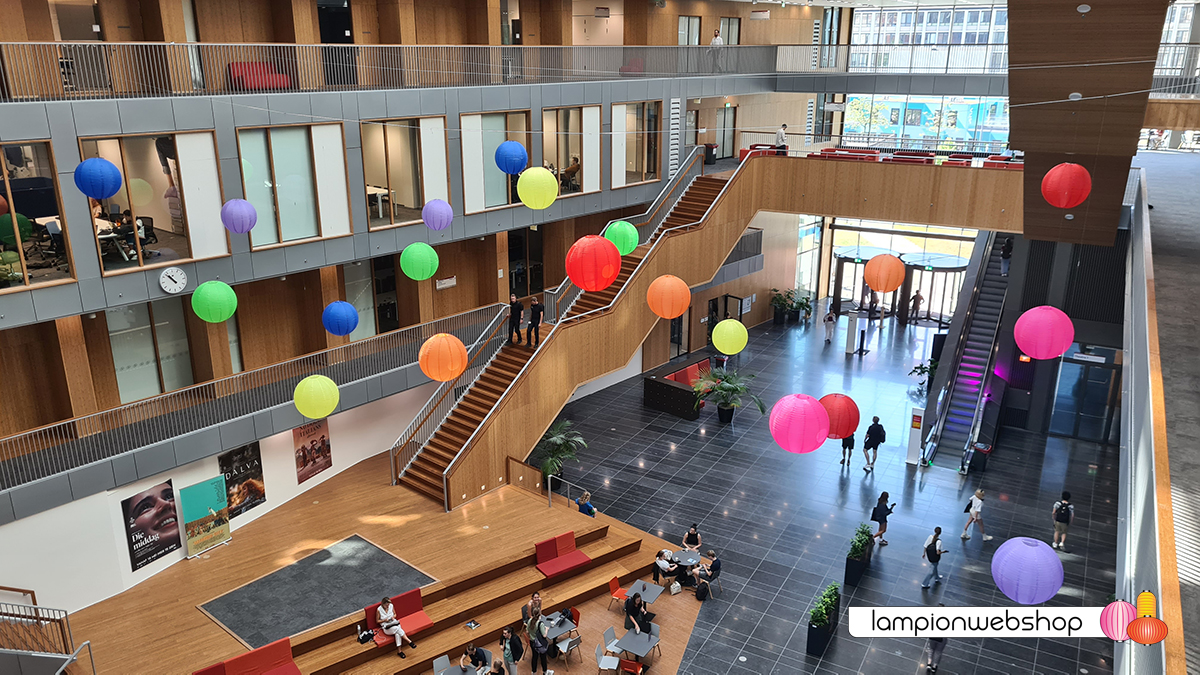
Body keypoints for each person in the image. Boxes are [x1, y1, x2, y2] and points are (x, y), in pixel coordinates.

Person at [924, 604, 947, 673]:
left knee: (931, 649)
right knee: (938, 652)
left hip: (932, 637)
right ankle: (934, 666)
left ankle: (929, 663)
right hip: (941, 639)